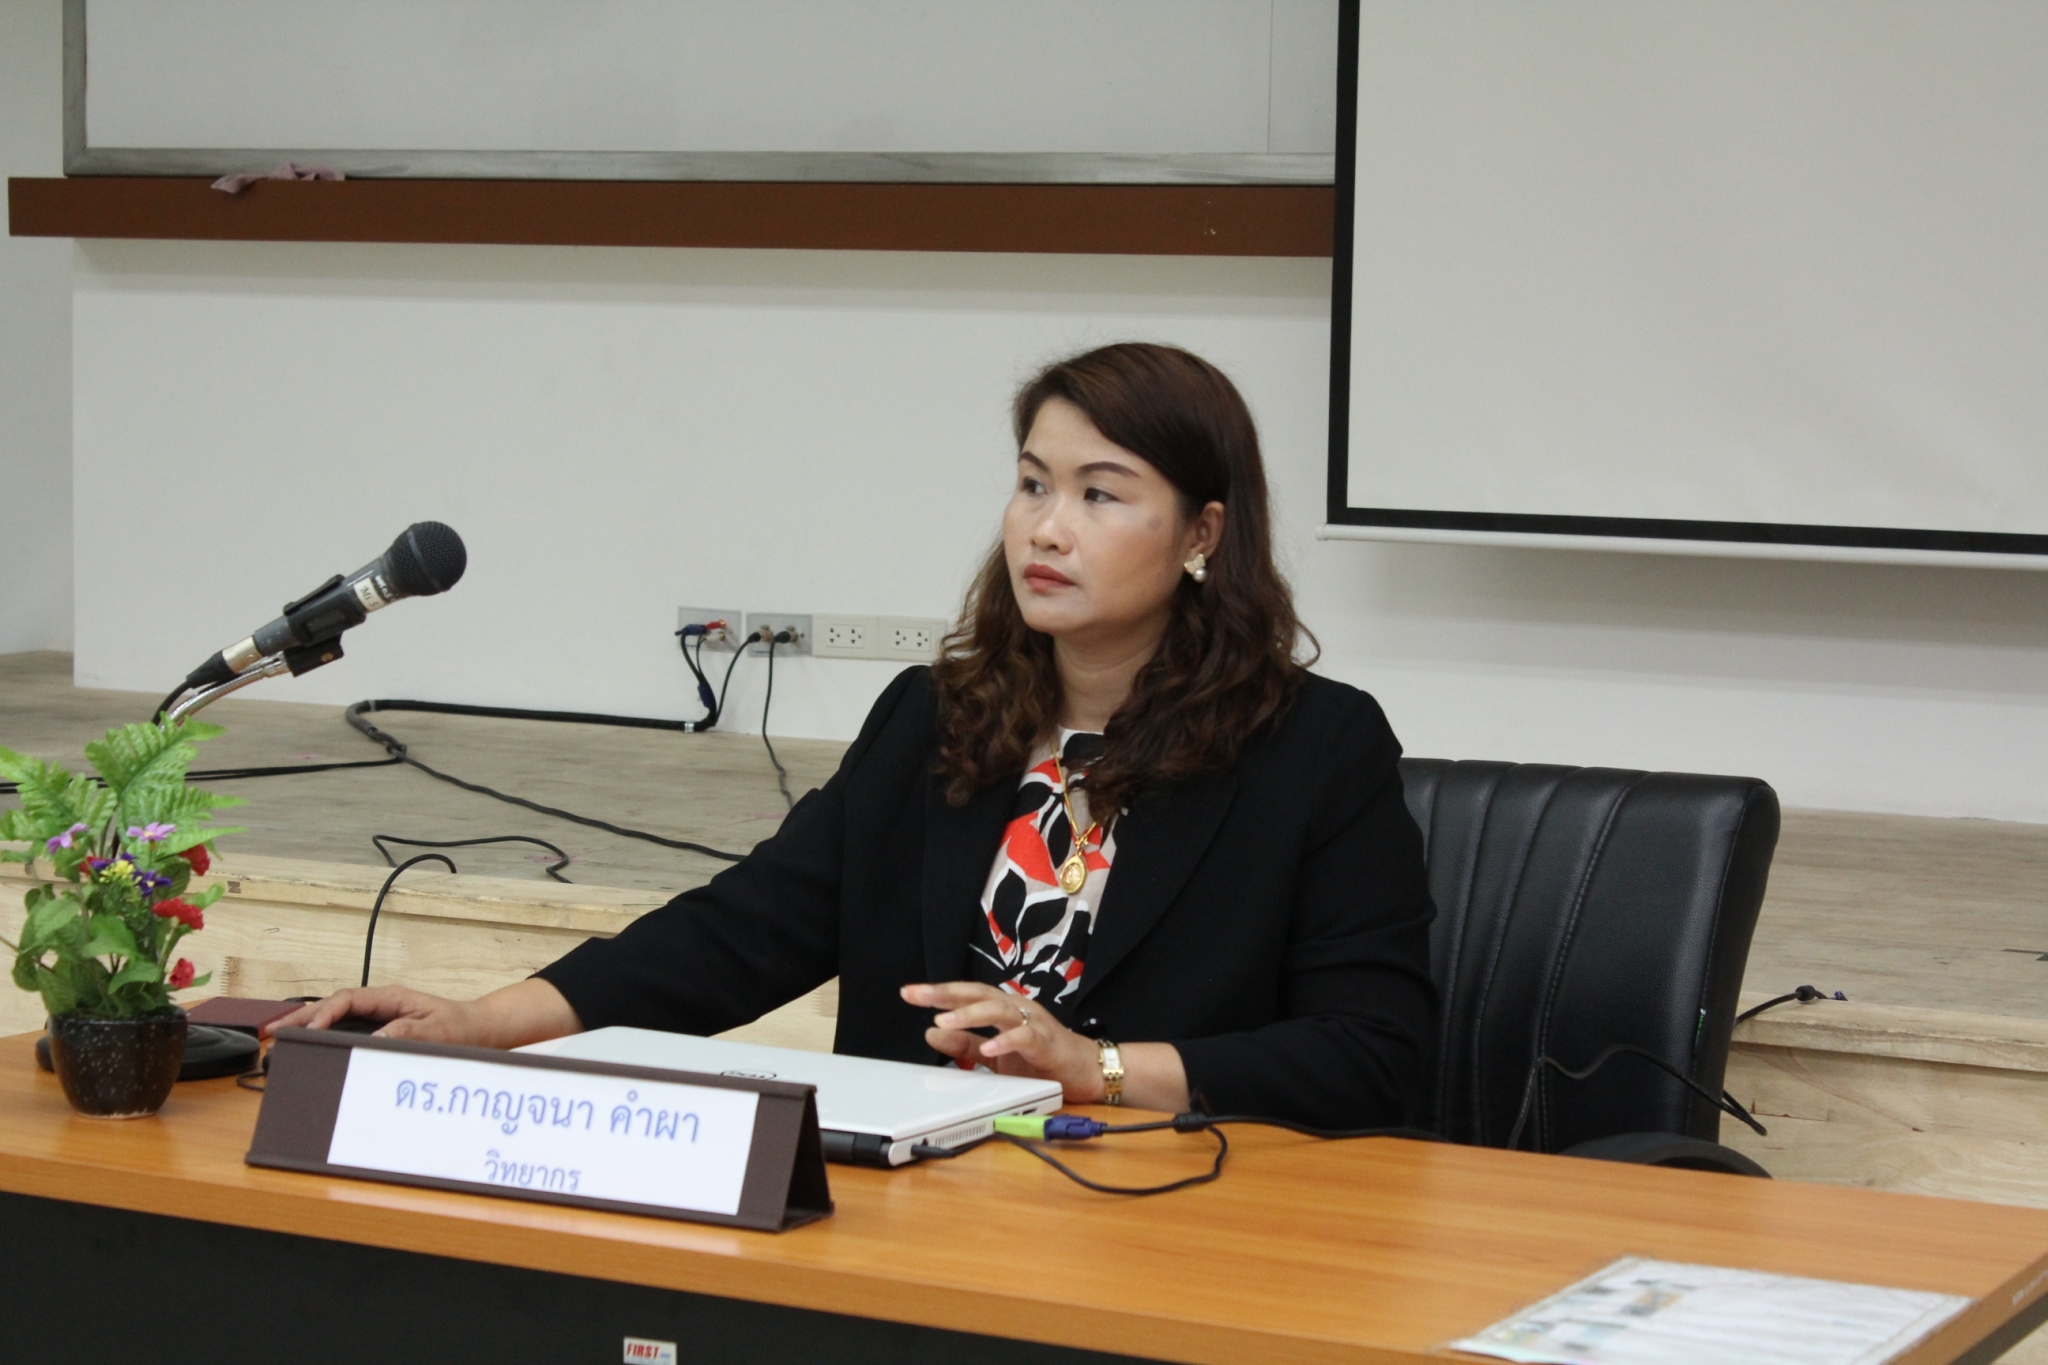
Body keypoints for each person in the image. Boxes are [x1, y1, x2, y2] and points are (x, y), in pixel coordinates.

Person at [274, 343, 1437, 1127]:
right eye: (1032, 484)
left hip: (1162, 1212)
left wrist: (1097, 1069)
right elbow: (744, 931)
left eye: (1099, 493)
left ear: (1202, 534)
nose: (1045, 529)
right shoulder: (937, 717)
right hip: (916, 1203)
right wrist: (485, 1022)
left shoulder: (1312, 750)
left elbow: (1372, 1052)